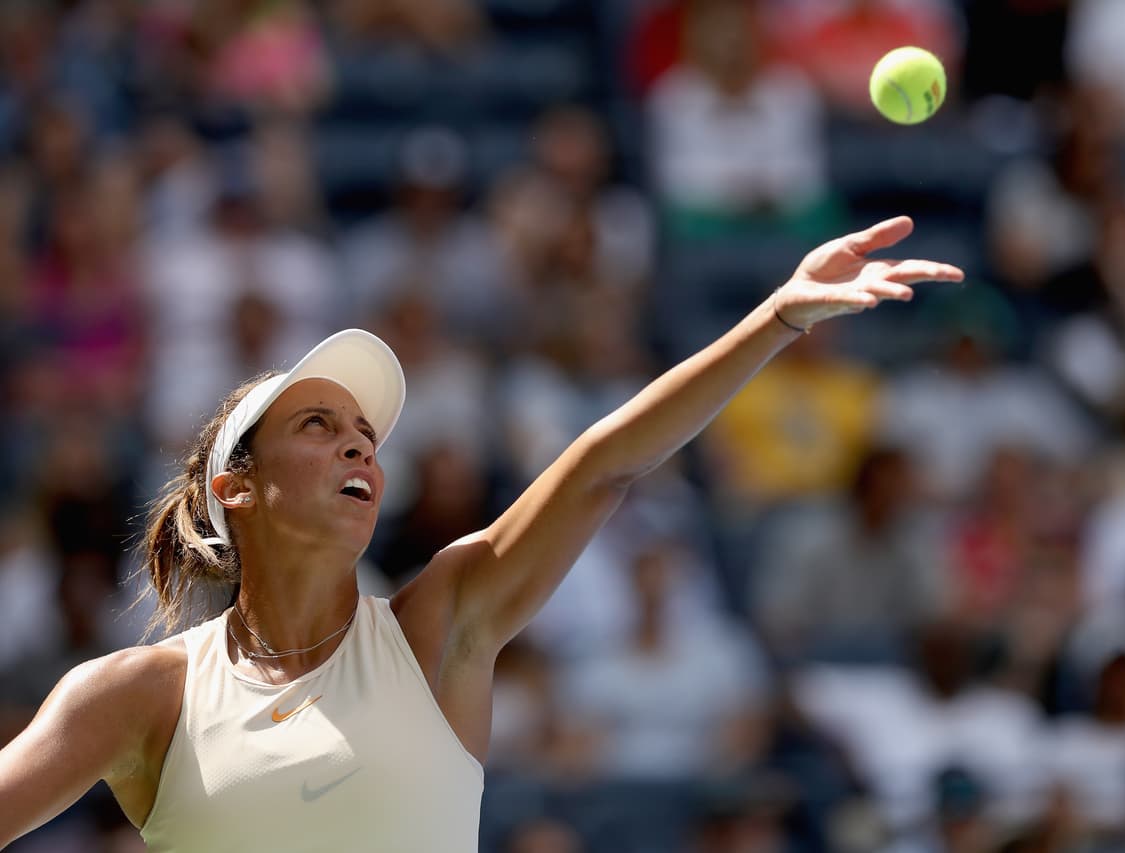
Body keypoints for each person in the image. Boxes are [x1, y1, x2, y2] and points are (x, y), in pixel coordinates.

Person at [0, 215, 963, 850]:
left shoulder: (443, 621)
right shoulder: (134, 694)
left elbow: (602, 466)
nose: (359, 452)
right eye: (318, 426)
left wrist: (775, 319)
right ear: (235, 488)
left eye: (367, 437)